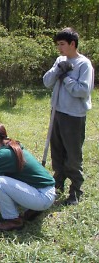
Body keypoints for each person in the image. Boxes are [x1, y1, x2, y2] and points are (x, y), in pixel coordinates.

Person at [43, 27, 94, 205]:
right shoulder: (60, 60)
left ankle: (76, 191)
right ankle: (58, 185)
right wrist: (58, 70)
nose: (59, 48)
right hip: (56, 112)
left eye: (62, 44)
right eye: (58, 45)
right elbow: (47, 82)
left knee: (72, 155)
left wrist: (66, 78)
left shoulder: (84, 64)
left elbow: (83, 90)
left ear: (73, 44)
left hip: (73, 116)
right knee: (57, 152)